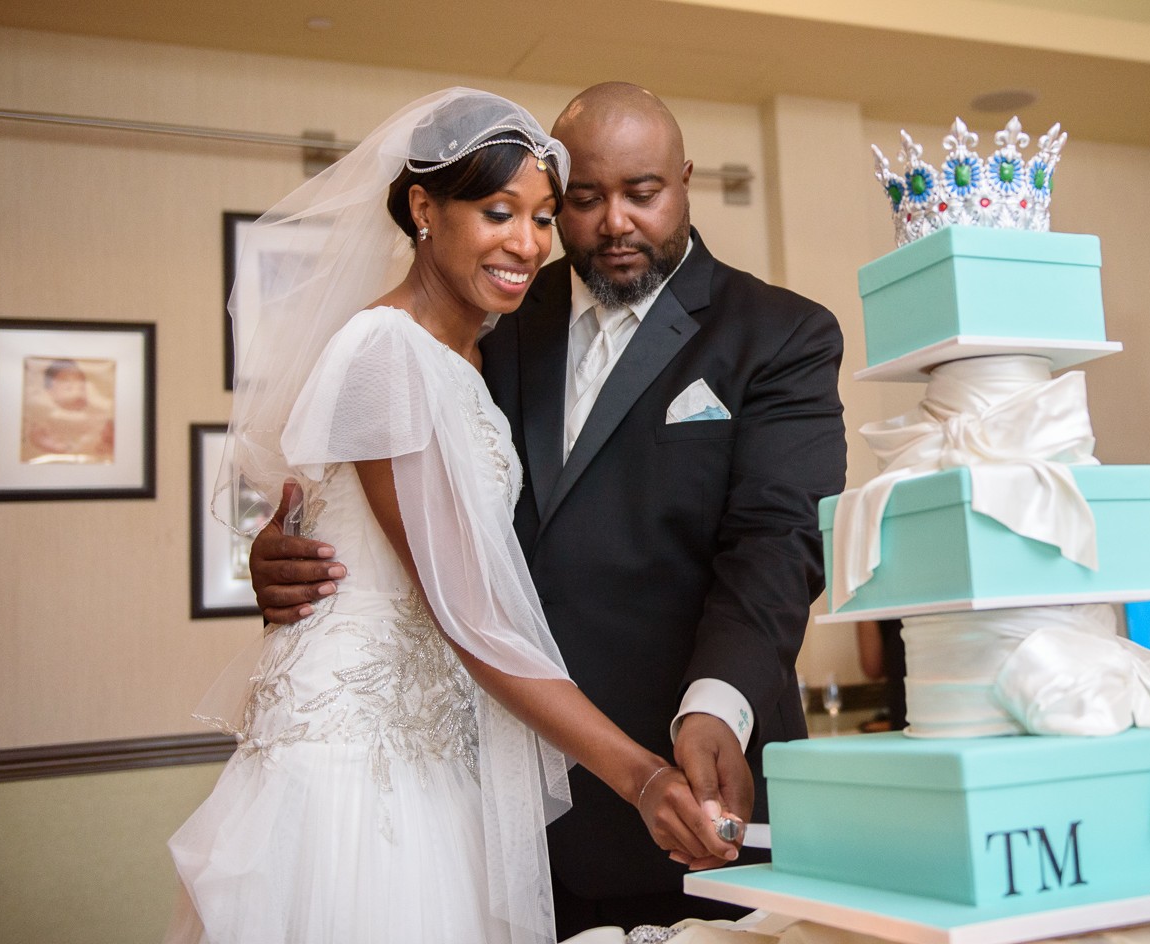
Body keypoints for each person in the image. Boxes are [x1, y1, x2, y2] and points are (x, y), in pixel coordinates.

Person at [250, 81, 849, 935]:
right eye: (582, 200)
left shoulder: (780, 332)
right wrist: (282, 553)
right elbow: (390, 499)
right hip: (498, 792)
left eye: (642, 194)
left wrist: (717, 702)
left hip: (687, 778)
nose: (613, 223)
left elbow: (778, 539)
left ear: (684, 181)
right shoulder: (492, 310)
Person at [167, 89, 733, 944]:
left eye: (543, 218)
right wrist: (644, 777)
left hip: (437, 748)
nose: (527, 244)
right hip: (362, 762)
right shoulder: (386, 353)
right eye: (500, 212)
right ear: (425, 209)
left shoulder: (465, 352)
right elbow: (468, 606)